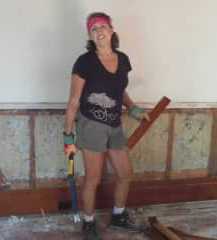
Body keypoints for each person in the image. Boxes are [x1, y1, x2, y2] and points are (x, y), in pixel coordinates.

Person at [63, 12, 150, 240]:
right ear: (90, 36)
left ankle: (118, 217)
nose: (99, 31)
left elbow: (119, 90)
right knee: (93, 178)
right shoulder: (85, 61)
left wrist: (133, 108)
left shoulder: (123, 59)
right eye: (94, 28)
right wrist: (68, 136)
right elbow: (73, 101)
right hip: (91, 124)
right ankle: (89, 223)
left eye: (103, 26)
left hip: (114, 124)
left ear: (111, 30)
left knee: (125, 173)